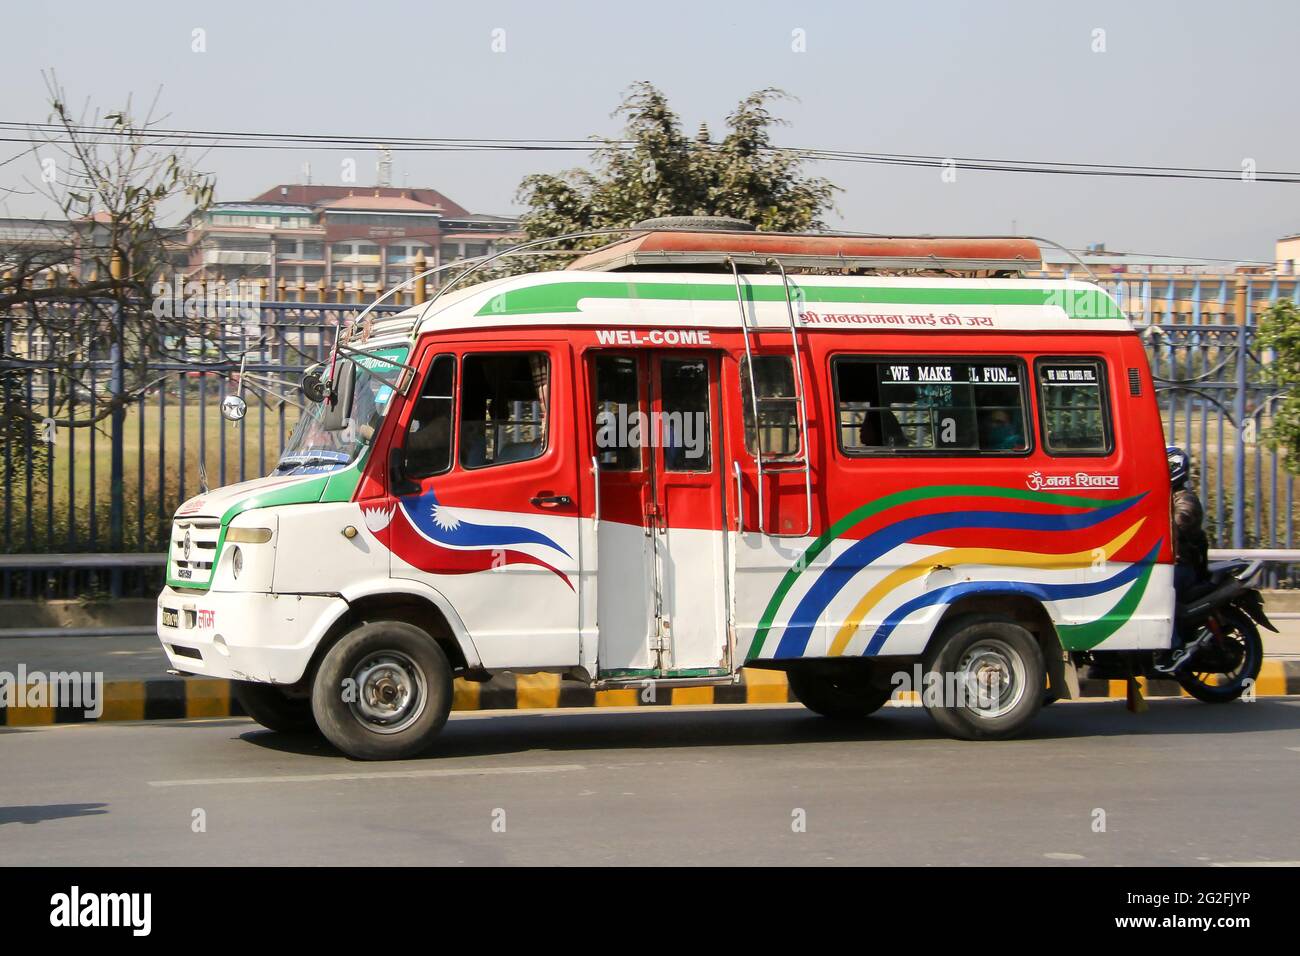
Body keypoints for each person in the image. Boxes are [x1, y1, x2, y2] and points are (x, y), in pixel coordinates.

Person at [1157, 445, 1210, 672]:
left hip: (1183, 567)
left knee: (1157, 592)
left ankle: (1175, 647)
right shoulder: (1165, 496)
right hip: (1167, 563)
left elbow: (1179, 522)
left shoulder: (1185, 499)